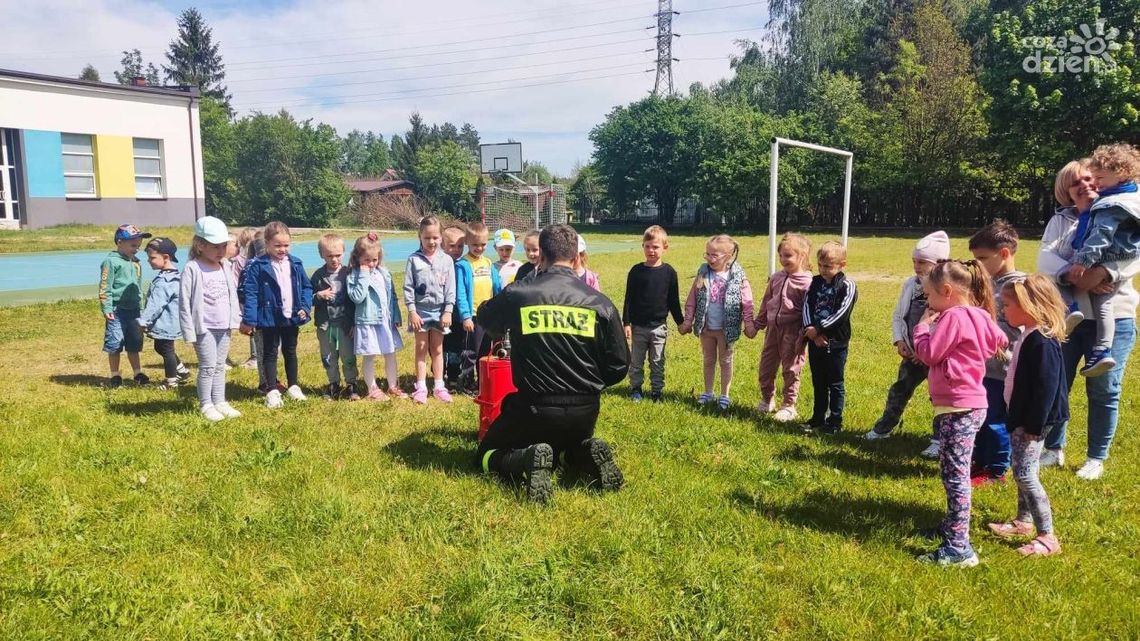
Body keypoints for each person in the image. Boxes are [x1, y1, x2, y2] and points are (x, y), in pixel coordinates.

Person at [475, 224, 630, 504]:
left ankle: (526, 459)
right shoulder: (600, 303)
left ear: (542, 257)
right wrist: (588, 384)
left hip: (534, 408)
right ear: (575, 258)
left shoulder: (520, 294)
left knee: (483, 457)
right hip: (585, 411)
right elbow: (619, 365)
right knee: (560, 454)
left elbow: (485, 318)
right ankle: (581, 452)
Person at [1038, 159, 1139, 480]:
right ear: (1066, 192)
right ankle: (1053, 449)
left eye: (1090, 178)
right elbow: (1044, 258)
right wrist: (1071, 274)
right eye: (1075, 182)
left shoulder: (1122, 211)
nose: (1085, 185)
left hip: (1115, 316)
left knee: (1104, 388)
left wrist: (1103, 272)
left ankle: (1096, 457)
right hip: (1069, 318)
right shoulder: (1061, 220)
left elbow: (1135, 254)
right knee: (1058, 385)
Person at [912, 259, 1008, 567]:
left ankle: (958, 547)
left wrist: (922, 328)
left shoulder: (953, 316)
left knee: (955, 478)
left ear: (947, 290)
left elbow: (928, 353)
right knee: (953, 472)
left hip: (959, 405)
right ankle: (952, 526)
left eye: (929, 295)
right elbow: (1000, 340)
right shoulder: (979, 314)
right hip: (969, 404)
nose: (927, 302)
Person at [986, 274, 1068, 557]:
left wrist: (1034, 424)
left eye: (1007, 304)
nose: (1003, 309)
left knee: (1025, 473)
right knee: (1020, 467)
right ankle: (1023, 521)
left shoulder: (1042, 341)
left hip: (1032, 421)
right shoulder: (1029, 335)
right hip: (1021, 415)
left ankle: (1047, 536)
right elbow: (1025, 370)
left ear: (1030, 306)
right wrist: (1005, 356)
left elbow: (1046, 387)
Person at [1062, 143, 1140, 376]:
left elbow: (1100, 236)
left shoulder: (1111, 205)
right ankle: (1103, 349)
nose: (1096, 183)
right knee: (1100, 301)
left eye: (1099, 178)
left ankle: (1098, 343)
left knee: (1095, 298)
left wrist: (1086, 264)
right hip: (1108, 261)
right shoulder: (1130, 196)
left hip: (1103, 260)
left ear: (1121, 173)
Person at [864, 231, 949, 444]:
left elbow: (944, 327)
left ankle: (939, 440)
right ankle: (884, 427)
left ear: (939, 264)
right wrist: (900, 340)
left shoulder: (947, 292)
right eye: (914, 261)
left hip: (934, 358)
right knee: (900, 389)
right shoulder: (910, 285)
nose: (917, 266)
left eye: (922, 262)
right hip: (911, 354)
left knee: (939, 398)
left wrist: (927, 354)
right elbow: (899, 315)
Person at [967, 221, 1025, 485]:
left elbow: (1021, 328)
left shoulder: (1020, 287)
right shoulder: (987, 282)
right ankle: (979, 462)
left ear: (1004, 253)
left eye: (982, 258)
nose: (978, 264)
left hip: (1002, 371)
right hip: (980, 367)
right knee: (978, 418)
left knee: (995, 420)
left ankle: (998, 469)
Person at [239, 221, 312, 409]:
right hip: (268, 317)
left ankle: (294, 386)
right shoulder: (258, 265)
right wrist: (249, 319)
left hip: (291, 316)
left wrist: (304, 306)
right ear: (267, 243)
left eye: (286, 245)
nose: (282, 249)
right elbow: (251, 293)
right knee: (270, 353)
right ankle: (271, 390)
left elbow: (306, 286)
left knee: (290, 351)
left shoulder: (295, 263)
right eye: (277, 245)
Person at [679, 234, 756, 410]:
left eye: (715, 255)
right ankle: (708, 392)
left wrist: (749, 325)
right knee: (708, 359)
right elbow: (692, 298)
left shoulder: (737, 276)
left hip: (726, 330)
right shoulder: (703, 273)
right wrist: (688, 321)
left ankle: (725, 395)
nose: (710, 258)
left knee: (725, 361)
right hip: (707, 328)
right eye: (707, 254)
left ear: (728, 255)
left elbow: (747, 302)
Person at [180, 217, 242, 422]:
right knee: (207, 366)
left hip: (223, 326)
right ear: (200, 245)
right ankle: (206, 404)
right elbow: (185, 302)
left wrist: (235, 320)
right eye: (215, 247)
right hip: (204, 328)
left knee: (219, 365)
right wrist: (189, 330)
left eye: (223, 246)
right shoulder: (193, 268)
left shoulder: (224, 266)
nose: (221, 251)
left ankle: (220, 401)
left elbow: (231, 294)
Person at [622, 225, 684, 402]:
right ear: (643, 246)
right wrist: (627, 323)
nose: (651, 250)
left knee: (657, 361)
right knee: (636, 361)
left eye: (655, 247)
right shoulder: (636, 271)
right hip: (638, 327)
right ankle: (636, 388)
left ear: (665, 247)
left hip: (659, 327)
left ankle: (657, 391)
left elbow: (673, 301)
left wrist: (681, 323)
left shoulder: (669, 273)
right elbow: (628, 299)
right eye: (647, 246)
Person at [754, 233, 812, 423]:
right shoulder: (776, 277)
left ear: (802, 256)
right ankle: (767, 399)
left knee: (791, 369)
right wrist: (759, 322)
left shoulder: (807, 282)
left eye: (788, 256)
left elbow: (808, 312)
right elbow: (766, 302)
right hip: (772, 330)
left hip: (793, 332)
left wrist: (803, 335)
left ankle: (789, 405)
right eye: (781, 255)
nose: (783, 259)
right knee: (766, 366)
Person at [802, 241, 858, 433]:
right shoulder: (815, 282)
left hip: (835, 343)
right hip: (815, 340)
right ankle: (818, 417)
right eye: (820, 265)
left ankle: (835, 422)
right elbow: (807, 306)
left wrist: (819, 329)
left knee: (835, 383)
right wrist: (811, 329)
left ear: (842, 265)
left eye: (828, 266)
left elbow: (842, 314)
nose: (823, 270)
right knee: (818, 381)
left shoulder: (847, 286)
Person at [404, 216, 457, 403]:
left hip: (440, 313)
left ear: (441, 237)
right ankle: (420, 386)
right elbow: (408, 287)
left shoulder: (447, 261)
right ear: (420, 236)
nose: (431, 242)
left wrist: (448, 311)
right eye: (427, 238)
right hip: (420, 313)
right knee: (421, 348)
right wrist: (412, 311)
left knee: (437, 349)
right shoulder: (413, 260)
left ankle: (439, 386)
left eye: (435, 237)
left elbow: (451, 289)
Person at [348, 232, 405, 401]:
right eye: (367, 260)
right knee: (369, 355)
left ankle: (393, 385)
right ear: (357, 257)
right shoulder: (354, 275)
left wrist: (395, 315)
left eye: (375, 260)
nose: (371, 264)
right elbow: (356, 297)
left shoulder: (384, 273)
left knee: (390, 353)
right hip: (367, 321)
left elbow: (392, 295)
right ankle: (372, 388)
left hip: (385, 321)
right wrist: (364, 275)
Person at [99, 224, 151, 387]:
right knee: (115, 343)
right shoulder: (111, 262)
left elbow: (138, 286)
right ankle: (115, 375)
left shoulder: (136, 262)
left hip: (134, 310)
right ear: (120, 242)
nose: (136, 249)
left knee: (134, 343)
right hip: (117, 310)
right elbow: (105, 286)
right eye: (133, 245)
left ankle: (137, 372)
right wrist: (107, 307)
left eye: (138, 246)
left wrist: (142, 308)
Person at [138, 237, 191, 390]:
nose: (149, 261)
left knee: (167, 350)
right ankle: (181, 371)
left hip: (167, 323)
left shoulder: (165, 282)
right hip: (170, 322)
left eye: (152, 257)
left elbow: (155, 305)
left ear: (166, 257)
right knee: (160, 347)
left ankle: (171, 382)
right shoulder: (174, 276)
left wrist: (143, 321)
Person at [311, 233, 359, 401]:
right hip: (325, 325)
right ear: (321, 255)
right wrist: (318, 296)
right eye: (329, 256)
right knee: (328, 356)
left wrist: (353, 322)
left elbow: (355, 302)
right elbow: (307, 298)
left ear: (344, 253)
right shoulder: (317, 276)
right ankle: (333, 383)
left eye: (338, 255)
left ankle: (352, 384)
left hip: (345, 324)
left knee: (348, 355)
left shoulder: (349, 274)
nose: (334, 259)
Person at [456, 222, 501, 393]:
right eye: (475, 244)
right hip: (473, 317)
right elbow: (460, 293)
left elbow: (497, 288)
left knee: (485, 351)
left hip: (487, 316)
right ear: (467, 242)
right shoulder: (463, 265)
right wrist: (466, 316)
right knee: (471, 351)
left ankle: (482, 383)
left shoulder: (489, 263)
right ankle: (466, 383)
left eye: (483, 244)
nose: (479, 248)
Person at [441, 225, 468, 389]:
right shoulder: (440, 264)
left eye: (460, 246)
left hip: (458, 316)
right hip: (441, 313)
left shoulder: (463, 265)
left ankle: (452, 375)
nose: (456, 250)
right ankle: (438, 372)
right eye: (452, 246)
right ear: (443, 246)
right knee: (440, 346)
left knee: (455, 347)